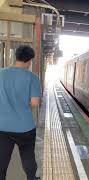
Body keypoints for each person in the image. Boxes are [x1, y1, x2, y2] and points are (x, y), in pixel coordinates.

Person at [0, 46, 41, 180]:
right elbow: (35, 103)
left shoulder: (1, 73)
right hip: (25, 127)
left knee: (2, 160)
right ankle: (31, 178)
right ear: (29, 61)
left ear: (15, 56)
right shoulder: (33, 78)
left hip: (2, 127)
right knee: (28, 157)